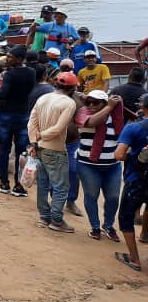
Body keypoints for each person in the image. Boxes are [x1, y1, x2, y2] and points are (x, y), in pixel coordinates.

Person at [28, 72, 80, 232]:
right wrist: (41, 137)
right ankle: (56, 220)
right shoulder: (69, 103)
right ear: (72, 87)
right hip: (55, 149)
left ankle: (44, 217)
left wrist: (35, 140)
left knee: (43, 184)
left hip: (39, 148)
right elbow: (58, 129)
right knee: (61, 187)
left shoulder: (43, 98)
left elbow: (31, 123)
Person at [74, 89, 124, 241]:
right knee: (91, 195)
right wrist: (109, 107)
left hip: (112, 165)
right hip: (88, 164)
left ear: (104, 103)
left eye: (95, 102)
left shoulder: (116, 116)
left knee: (114, 197)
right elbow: (93, 122)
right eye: (88, 101)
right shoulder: (83, 113)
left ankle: (108, 226)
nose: (90, 105)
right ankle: (95, 227)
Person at [0, 45, 36, 196]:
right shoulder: (31, 72)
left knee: (4, 149)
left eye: (10, 57)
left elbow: (3, 92)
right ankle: (19, 185)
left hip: (7, 114)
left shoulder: (10, 74)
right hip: (23, 114)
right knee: (21, 151)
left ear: (18, 59)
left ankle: (4, 182)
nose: (7, 58)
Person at [113, 94, 148, 271]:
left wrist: (134, 156)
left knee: (126, 217)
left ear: (143, 108)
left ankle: (134, 259)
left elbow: (119, 155)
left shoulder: (134, 128)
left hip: (137, 180)